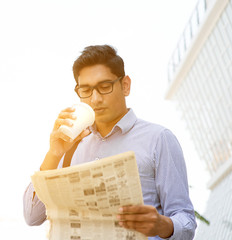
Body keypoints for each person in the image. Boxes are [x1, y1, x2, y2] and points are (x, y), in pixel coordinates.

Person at [23, 45, 196, 239]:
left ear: (125, 85)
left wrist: (163, 225)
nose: (95, 99)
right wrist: (54, 154)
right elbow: (32, 216)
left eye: (104, 87)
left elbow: (186, 220)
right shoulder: (71, 145)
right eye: (86, 90)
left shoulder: (159, 139)